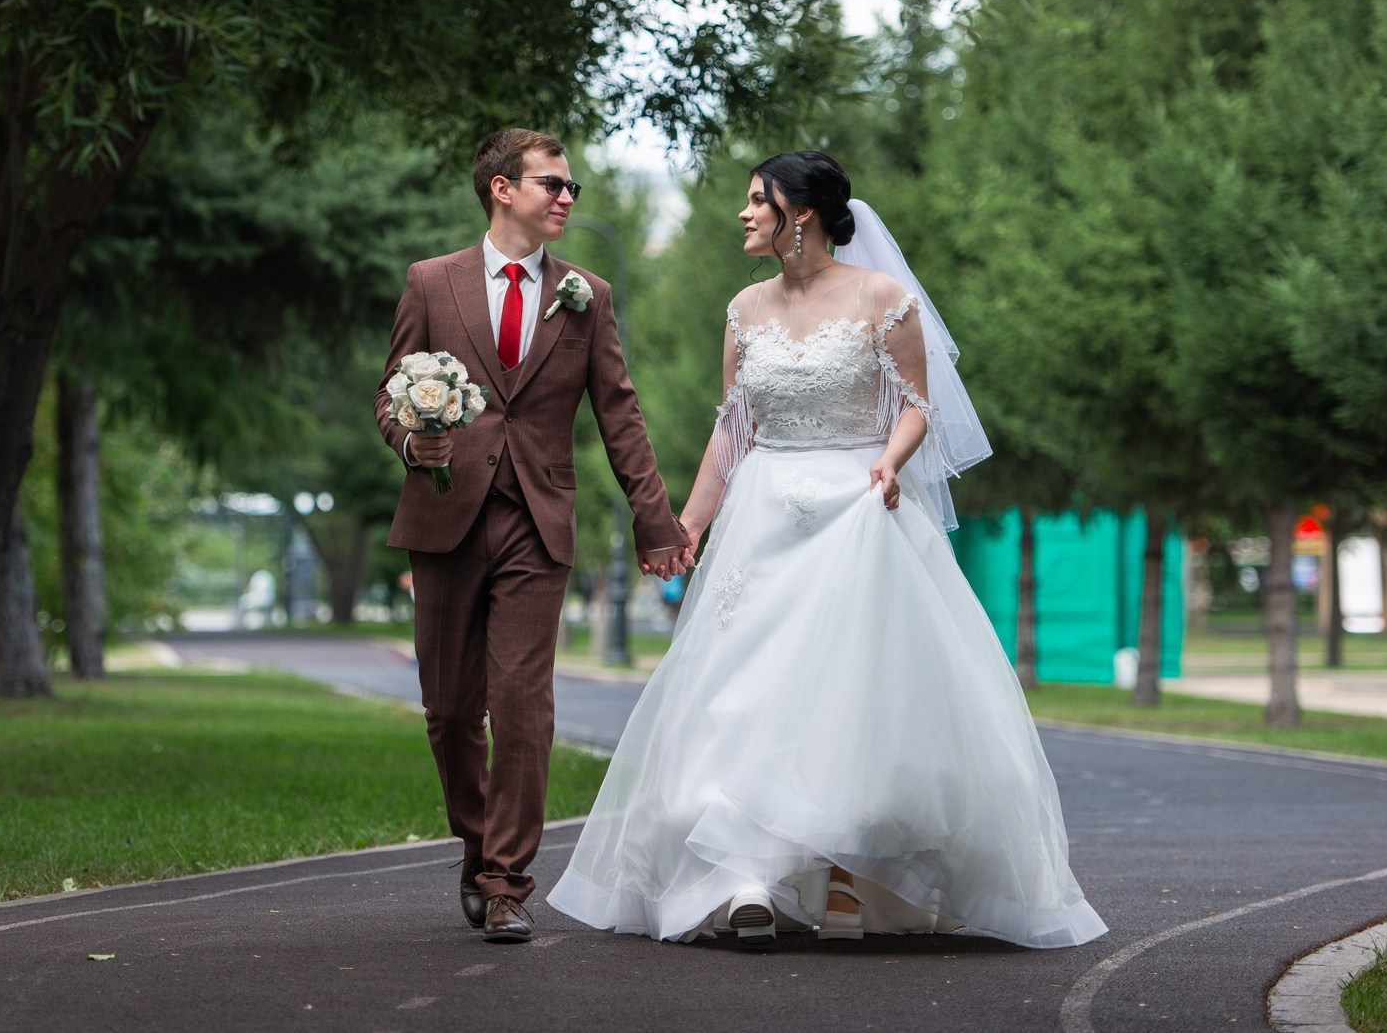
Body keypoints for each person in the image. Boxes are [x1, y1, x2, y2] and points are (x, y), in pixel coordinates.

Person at [548, 150, 1107, 949]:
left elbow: (915, 405)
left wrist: (889, 460)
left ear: (798, 213)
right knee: (744, 695)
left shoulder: (884, 298)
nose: (742, 215)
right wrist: (689, 524)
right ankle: (746, 880)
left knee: (854, 706)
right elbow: (733, 426)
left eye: (755, 201)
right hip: (765, 520)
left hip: (858, 511)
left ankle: (850, 881)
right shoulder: (745, 308)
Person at [376, 127, 693, 943]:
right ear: (501, 190)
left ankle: (509, 881)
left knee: (523, 707)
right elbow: (389, 395)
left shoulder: (588, 293)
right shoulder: (431, 283)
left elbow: (618, 412)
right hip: (444, 516)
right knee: (449, 713)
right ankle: (478, 843)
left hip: (536, 519)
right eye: (552, 184)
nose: (567, 198)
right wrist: (416, 439)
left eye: (572, 187)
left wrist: (653, 516)